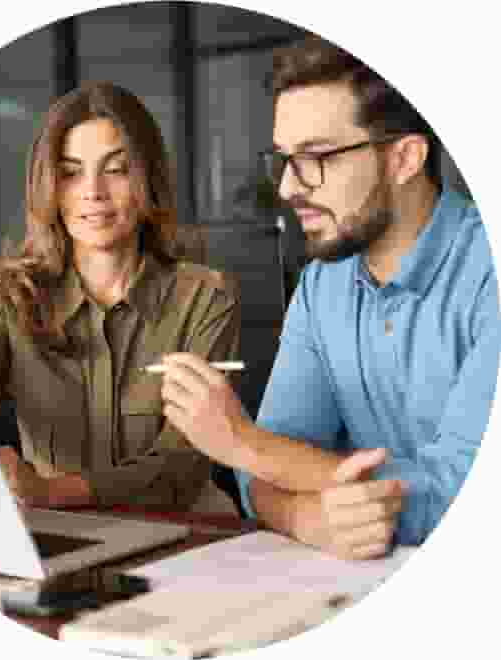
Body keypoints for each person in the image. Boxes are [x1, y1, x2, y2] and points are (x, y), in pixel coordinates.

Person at [159, 35, 500, 558]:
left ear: (404, 159)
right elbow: (261, 481)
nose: (288, 189)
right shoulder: (324, 286)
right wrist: (306, 517)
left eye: (317, 157)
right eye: (284, 160)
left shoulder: (486, 272)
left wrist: (245, 443)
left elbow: (461, 497)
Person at [0, 81, 240, 514]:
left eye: (115, 169)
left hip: (186, 527)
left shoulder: (205, 299)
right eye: (71, 171)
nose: (92, 191)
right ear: (50, 185)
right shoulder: (7, 299)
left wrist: (53, 492)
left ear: (147, 178)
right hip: (59, 534)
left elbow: (181, 464)